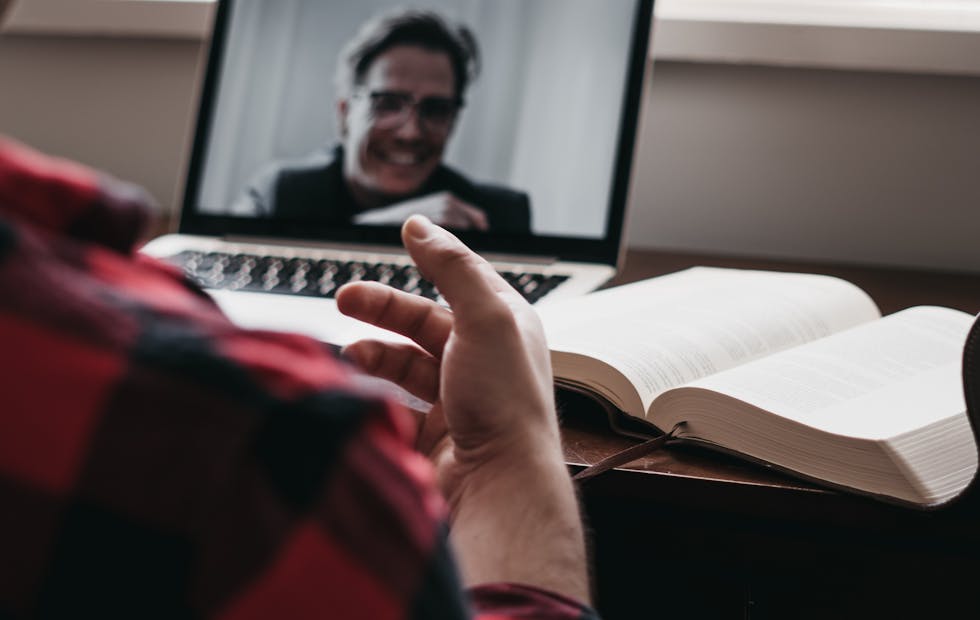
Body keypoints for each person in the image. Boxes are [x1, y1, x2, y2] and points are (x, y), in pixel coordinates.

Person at [232, 8, 531, 233]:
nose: (411, 132)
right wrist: (388, 228)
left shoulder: (499, 216)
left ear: (453, 121)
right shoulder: (281, 194)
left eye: (436, 109)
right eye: (387, 104)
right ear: (346, 112)